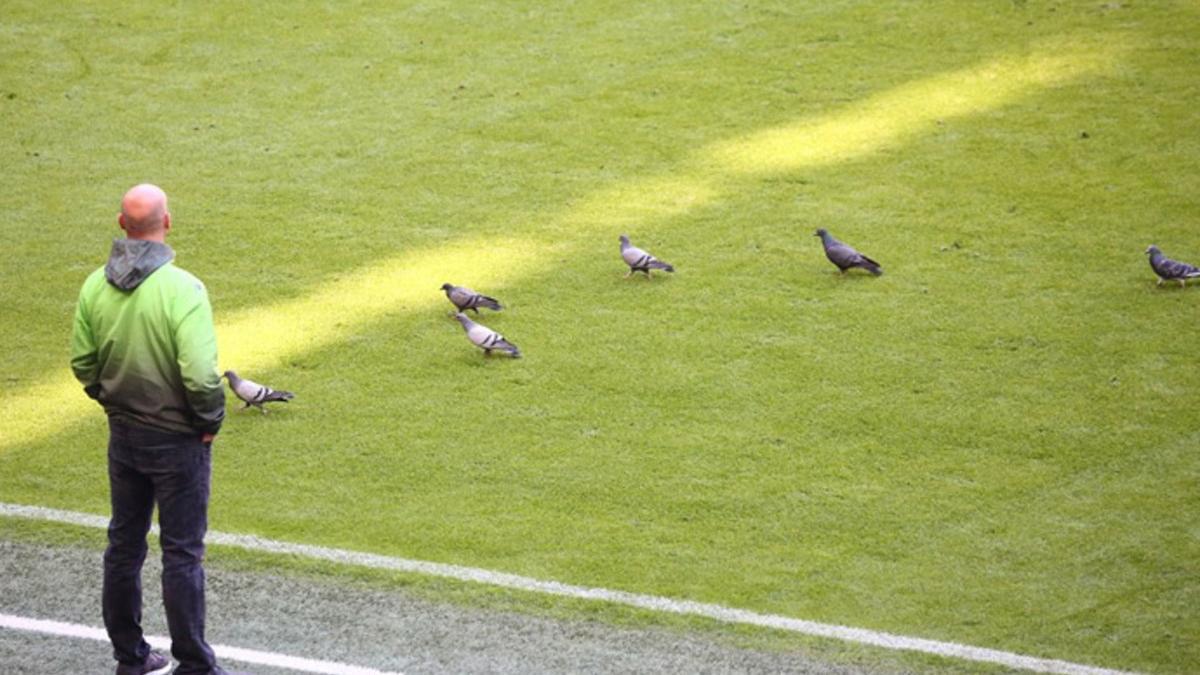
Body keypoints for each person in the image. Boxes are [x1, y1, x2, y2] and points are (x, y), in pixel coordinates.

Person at [71, 184, 237, 675]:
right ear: (168, 223)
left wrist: (113, 401)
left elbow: (83, 363)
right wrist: (209, 422)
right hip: (178, 440)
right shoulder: (184, 288)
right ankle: (194, 664)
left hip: (123, 435)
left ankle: (131, 657)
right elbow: (201, 374)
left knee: (124, 544)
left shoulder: (93, 286)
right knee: (182, 553)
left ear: (122, 225)